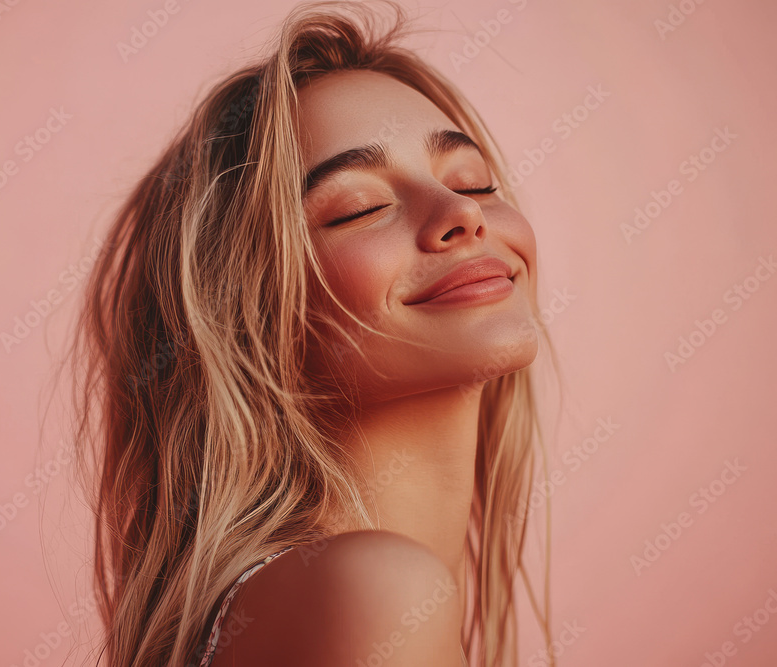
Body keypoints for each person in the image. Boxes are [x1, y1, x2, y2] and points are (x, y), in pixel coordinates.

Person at [65, 1, 561, 665]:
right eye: (361, 206)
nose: (463, 212)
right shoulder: (374, 592)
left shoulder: (328, 594)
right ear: (248, 320)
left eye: (473, 180)